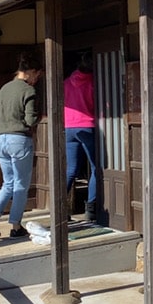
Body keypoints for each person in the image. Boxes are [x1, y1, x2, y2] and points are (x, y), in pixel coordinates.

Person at [0, 53, 42, 240]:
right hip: (19, 139)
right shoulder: (28, 91)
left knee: (7, 182)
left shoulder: (3, 90)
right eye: (37, 75)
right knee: (21, 185)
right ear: (31, 72)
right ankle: (16, 225)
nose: (36, 79)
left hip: (1, 139)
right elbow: (31, 119)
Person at [63, 52, 100, 222]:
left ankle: (60, 207)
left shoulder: (66, 83)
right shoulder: (94, 82)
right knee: (95, 167)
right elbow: (102, 104)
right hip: (87, 126)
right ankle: (91, 209)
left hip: (69, 126)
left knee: (71, 170)